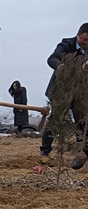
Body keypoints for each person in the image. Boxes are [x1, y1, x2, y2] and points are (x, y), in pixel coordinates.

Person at [39, 23, 88, 167]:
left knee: (83, 121)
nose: (86, 43)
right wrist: (63, 67)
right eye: (84, 39)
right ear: (78, 35)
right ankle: (45, 152)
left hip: (81, 93)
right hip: (62, 90)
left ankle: (81, 154)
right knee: (56, 120)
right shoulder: (66, 44)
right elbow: (52, 59)